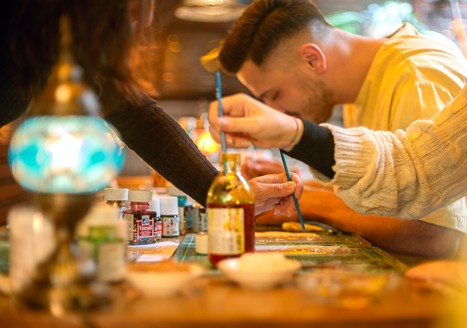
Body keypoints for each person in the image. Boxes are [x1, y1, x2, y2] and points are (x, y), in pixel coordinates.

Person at [208, 0, 467, 292]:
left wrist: (301, 202)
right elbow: (409, 172)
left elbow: (436, 233)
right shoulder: (362, 88)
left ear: (313, 59)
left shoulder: (418, 77)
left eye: (273, 95)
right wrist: (295, 145)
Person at [0, 0, 302, 217]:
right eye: (139, 6)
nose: (146, 19)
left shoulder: (64, 37)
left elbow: (137, 117)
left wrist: (223, 194)